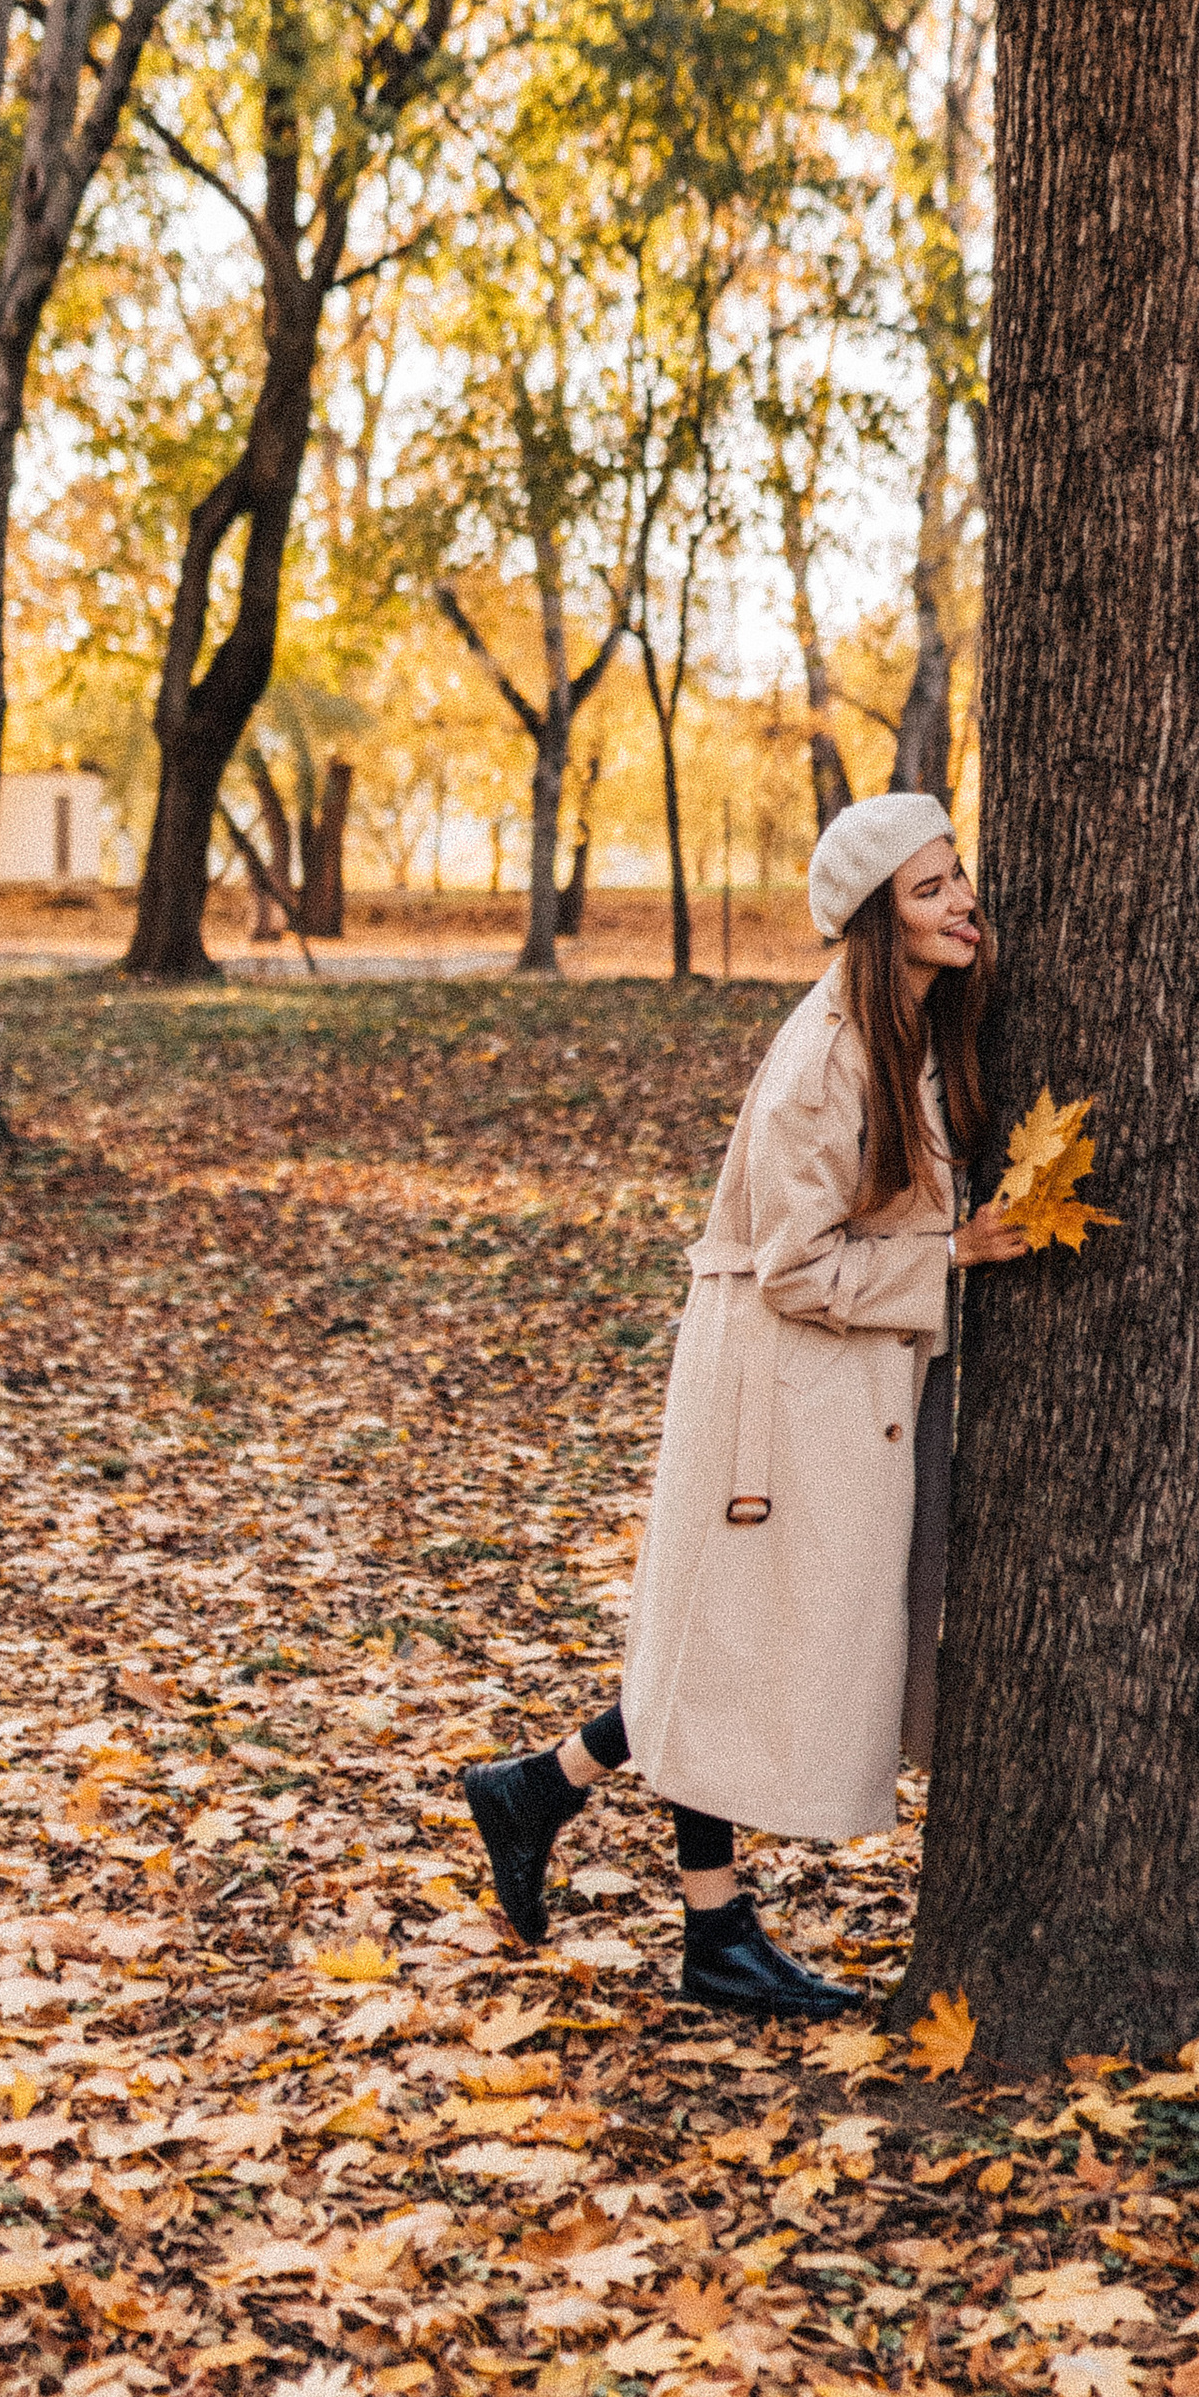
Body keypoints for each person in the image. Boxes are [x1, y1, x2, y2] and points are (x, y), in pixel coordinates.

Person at [462, 794, 1033, 2021]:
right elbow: (793, 1264)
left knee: (731, 1637)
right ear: (880, 919)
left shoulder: (913, 1029)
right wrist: (958, 1258)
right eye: (930, 890)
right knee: (733, 1638)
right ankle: (703, 1923)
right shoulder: (826, 1061)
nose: (962, 902)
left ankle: (545, 1797)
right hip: (775, 1379)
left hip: (835, 1378)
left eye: (957, 877)